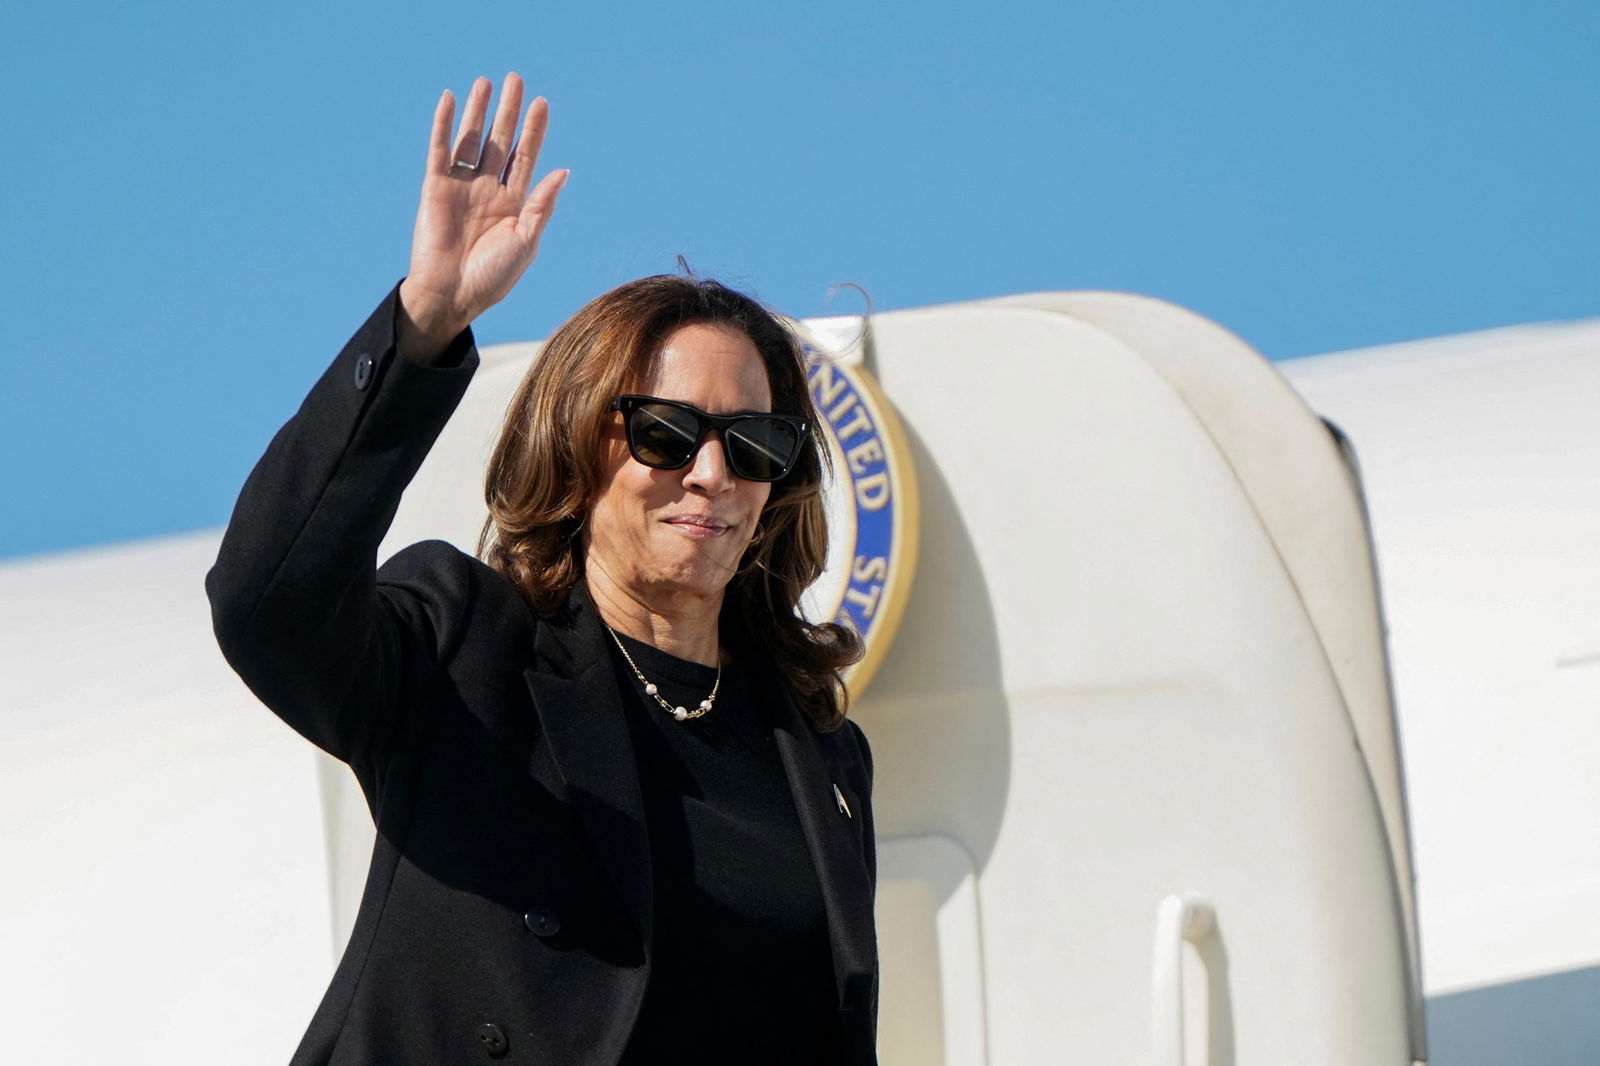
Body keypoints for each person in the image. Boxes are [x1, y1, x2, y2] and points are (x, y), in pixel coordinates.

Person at [206, 72, 879, 1064]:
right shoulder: (462, 650)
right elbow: (270, 601)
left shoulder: (820, 756)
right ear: (576, 449)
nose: (710, 473)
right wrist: (423, 324)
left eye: (752, 443)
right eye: (664, 432)